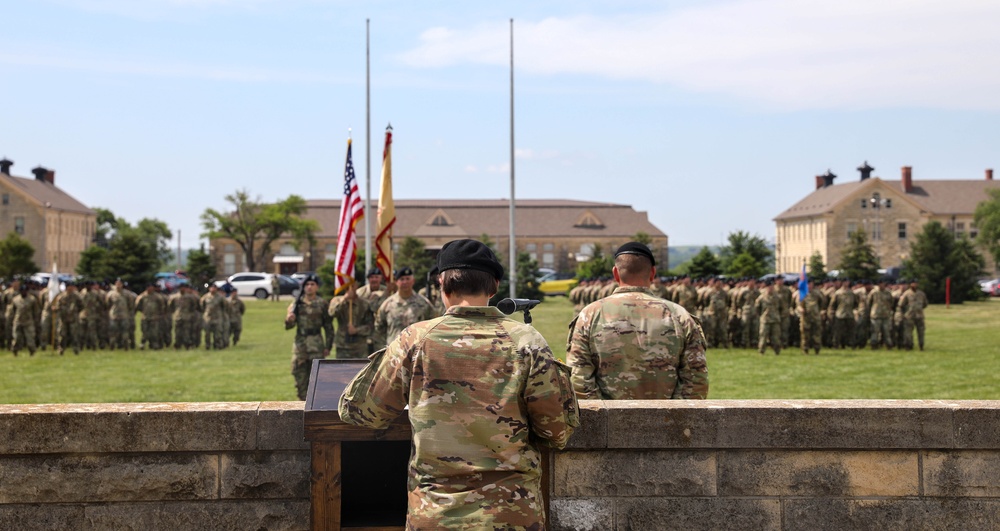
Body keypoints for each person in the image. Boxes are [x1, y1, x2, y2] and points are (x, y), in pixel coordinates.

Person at [339, 239, 578, 529]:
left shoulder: (415, 339)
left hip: (436, 513)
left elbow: (364, 413)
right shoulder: (527, 341)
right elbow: (557, 431)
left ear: (442, 284)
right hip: (511, 514)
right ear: (495, 286)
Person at [567, 242, 709, 399]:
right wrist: (673, 418)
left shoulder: (590, 315)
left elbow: (579, 379)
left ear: (615, 273)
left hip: (609, 421)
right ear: (653, 273)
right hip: (666, 420)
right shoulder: (680, 315)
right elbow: (696, 380)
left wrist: (605, 418)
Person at [284, 274, 333, 400]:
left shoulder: (322, 303)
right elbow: (289, 326)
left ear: (317, 287)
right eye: (307, 285)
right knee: (299, 374)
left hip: (316, 344)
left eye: (312, 284)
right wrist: (289, 319)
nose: (309, 287)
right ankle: (302, 403)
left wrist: (328, 346)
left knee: (317, 378)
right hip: (301, 345)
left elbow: (328, 327)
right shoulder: (296, 303)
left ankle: (315, 405)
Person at [373, 266, 435, 348]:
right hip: (394, 352)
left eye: (407, 279)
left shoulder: (424, 303)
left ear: (413, 281)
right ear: (396, 282)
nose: (405, 282)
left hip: (417, 352)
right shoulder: (387, 305)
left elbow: (432, 326)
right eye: (402, 279)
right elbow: (379, 328)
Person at [327, 283, 373, 359]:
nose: (349, 287)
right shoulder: (337, 300)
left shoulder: (364, 304)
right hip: (343, 346)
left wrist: (356, 330)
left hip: (360, 347)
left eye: (352, 284)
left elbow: (371, 326)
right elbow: (332, 313)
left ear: (357, 285)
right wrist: (345, 298)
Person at [756, 278, 784, 355]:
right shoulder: (761, 297)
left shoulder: (778, 297)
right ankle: (761, 351)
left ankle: (777, 351)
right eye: (769, 286)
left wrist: (778, 315)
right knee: (763, 336)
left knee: (776, 337)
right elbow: (757, 308)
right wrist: (761, 316)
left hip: (775, 319)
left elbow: (782, 308)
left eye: (772, 286)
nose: (770, 288)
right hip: (765, 319)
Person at [898, 281, 928, 351]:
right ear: (910, 284)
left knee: (921, 332)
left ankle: (921, 345)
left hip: (919, 316)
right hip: (909, 316)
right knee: (908, 332)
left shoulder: (921, 294)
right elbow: (901, 304)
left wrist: (919, 309)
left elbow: (925, 304)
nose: (914, 285)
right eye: (913, 283)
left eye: (916, 283)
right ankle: (908, 345)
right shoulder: (906, 293)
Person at [798, 280, 822, 355]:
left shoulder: (817, 294)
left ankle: (817, 350)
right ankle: (805, 350)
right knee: (805, 335)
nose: (809, 285)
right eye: (807, 284)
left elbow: (822, 303)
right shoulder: (802, 294)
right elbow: (797, 305)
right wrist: (801, 309)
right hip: (806, 318)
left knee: (816, 335)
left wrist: (818, 311)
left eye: (810, 283)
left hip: (815, 317)